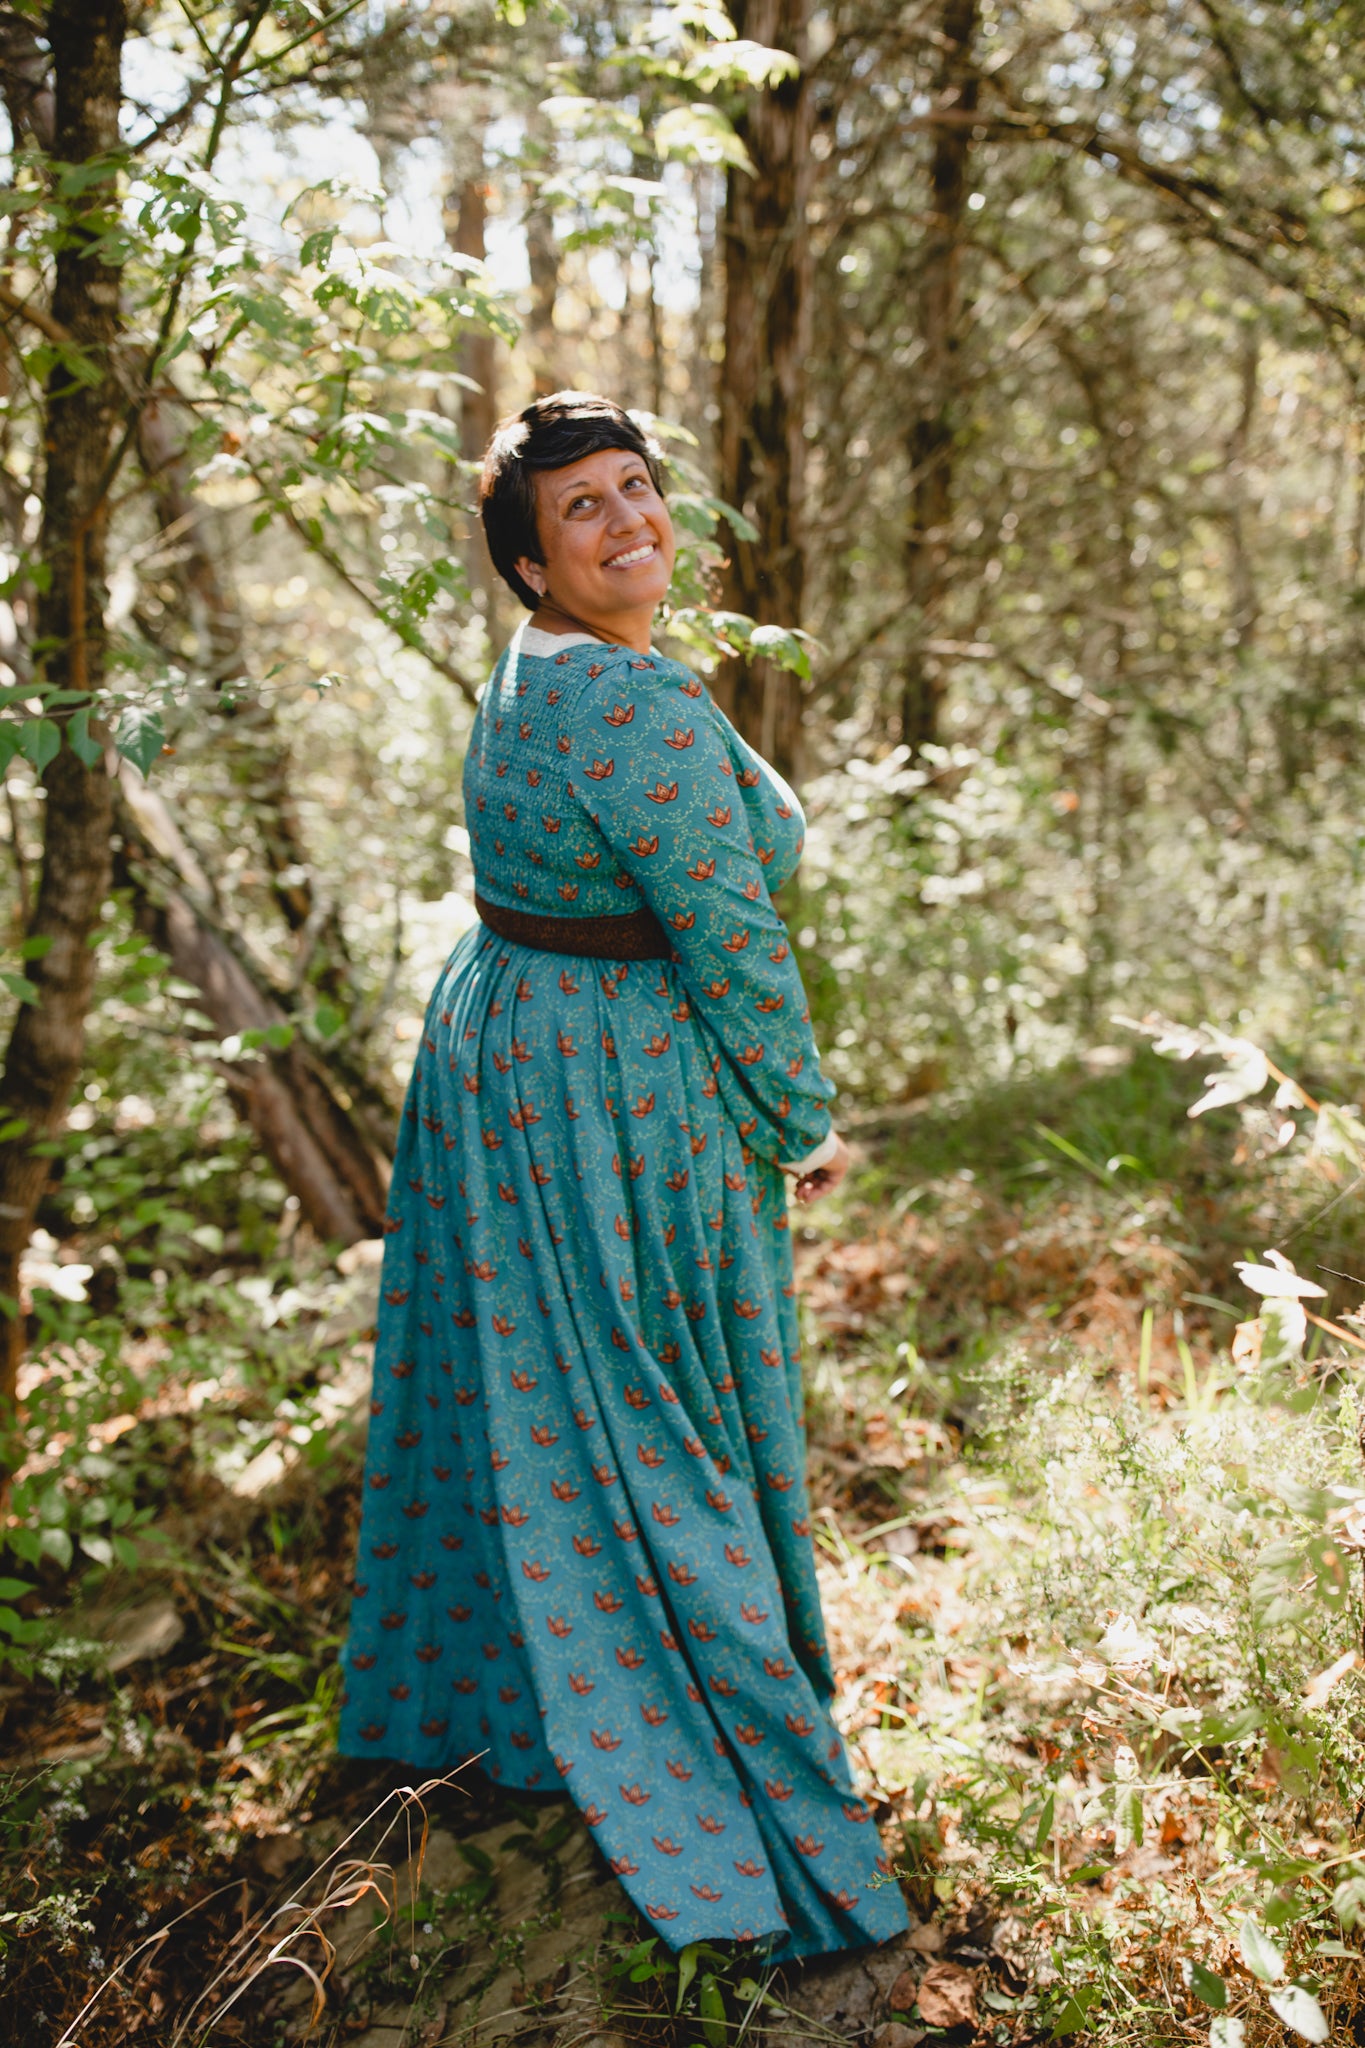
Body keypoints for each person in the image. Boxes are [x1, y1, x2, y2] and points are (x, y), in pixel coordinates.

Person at [338, 392, 908, 1959]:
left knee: (539, 1383)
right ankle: (713, 1739)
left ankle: (509, 1700)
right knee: (655, 1407)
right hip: (605, 1077)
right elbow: (731, 937)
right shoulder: (627, 706)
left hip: (508, 1042)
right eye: (579, 509)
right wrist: (799, 1117)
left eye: (637, 489)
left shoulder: (551, 675)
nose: (625, 521)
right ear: (529, 563)